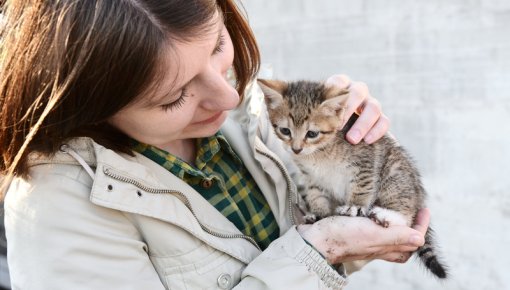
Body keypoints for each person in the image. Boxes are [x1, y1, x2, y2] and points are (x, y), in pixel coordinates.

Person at [0, 0, 430, 289]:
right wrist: (323, 250)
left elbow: (295, 244)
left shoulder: (244, 112)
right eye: (174, 97)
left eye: (218, 46)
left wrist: (352, 153)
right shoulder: (57, 205)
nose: (227, 95)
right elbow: (311, 253)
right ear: (90, 104)